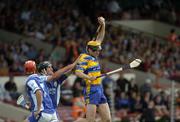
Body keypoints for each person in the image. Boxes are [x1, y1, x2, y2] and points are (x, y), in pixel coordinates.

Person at [75, 17, 111, 122]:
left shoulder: (93, 50)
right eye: (95, 51)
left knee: (107, 119)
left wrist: (103, 24)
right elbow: (78, 72)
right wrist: (89, 77)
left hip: (100, 88)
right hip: (91, 89)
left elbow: (100, 38)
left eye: (98, 50)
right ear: (89, 50)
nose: (97, 52)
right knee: (90, 120)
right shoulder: (83, 58)